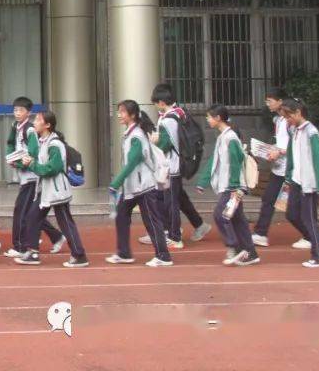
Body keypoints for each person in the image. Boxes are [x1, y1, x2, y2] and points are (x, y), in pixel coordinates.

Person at [16, 110, 88, 267]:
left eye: (38, 119)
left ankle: (79, 255)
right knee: (33, 217)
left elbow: (51, 168)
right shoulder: (43, 141)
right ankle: (33, 252)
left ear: (47, 125)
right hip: (47, 190)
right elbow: (41, 164)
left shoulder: (54, 144)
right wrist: (26, 162)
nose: (34, 121)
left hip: (57, 191)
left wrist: (32, 164)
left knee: (65, 223)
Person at [107, 100, 172, 267]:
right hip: (133, 186)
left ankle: (163, 255)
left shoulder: (136, 135)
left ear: (133, 115)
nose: (119, 115)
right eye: (119, 111)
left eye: (122, 112)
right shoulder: (130, 134)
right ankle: (124, 253)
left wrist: (117, 181)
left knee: (151, 220)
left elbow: (133, 161)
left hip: (144, 186)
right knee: (121, 215)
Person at [147, 83, 212, 248]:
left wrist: (155, 140)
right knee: (178, 198)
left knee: (169, 201)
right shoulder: (180, 113)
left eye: (155, 103)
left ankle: (174, 235)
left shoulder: (168, 120)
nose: (155, 106)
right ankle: (196, 225)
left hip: (170, 167)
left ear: (161, 102)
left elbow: (166, 144)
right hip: (174, 165)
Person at [196, 105, 259, 266]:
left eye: (209, 117)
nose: (208, 120)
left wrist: (234, 186)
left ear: (218, 118)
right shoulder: (224, 137)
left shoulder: (230, 138)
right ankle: (251, 253)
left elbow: (236, 162)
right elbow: (214, 161)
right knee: (238, 220)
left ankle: (234, 247)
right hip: (231, 186)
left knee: (220, 215)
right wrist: (203, 181)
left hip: (232, 187)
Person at [5, 97, 64, 259]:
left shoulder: (30, 130)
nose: (17, 113)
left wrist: (19, 164)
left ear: (28, 113)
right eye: (15, 110)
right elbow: (10, 143)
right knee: (30, 212)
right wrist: (11, 157)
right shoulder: (15, 127)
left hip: (31, 176)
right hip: (25, 176)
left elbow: (33, 153)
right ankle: (56, 236)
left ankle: (21, 246)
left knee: (22, 212)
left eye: (21, 110)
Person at [281, 98, 319, 267]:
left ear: (298, 113)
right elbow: (291, 154)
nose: (287, 120)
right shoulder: (295, 130)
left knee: (309, 218)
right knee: (291, 214)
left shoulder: (311, 132)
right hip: (297, 180)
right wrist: (289, 175)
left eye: (289, 116)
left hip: (309, 183)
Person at [252, 87, 291, 248]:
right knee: (268, 199)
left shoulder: (290, 121)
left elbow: (295, 144)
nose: (267, 104)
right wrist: (270, 149)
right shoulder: (279, 120)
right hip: (279, 168)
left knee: (295, 207)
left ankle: (314, 236)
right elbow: (282, 143)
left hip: (290, 170)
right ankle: (260, 233)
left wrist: (280, 151)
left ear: (280, 101)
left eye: (270, 100)